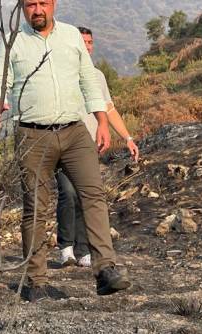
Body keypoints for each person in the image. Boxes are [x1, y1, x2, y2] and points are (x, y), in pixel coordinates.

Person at [0, 0, 139, 301]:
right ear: (21, 8)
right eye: (30, 5)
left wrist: (101, 122)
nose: (37, 10)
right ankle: (36, 282)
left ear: (53, 4)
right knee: (35, 209)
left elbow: (88, 81)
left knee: (93, 195)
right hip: (32, 134)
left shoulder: (71, 36)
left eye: (43, 3)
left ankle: (105, 270)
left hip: (74, 131)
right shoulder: (12, 42)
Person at [56, 26, 133, 268]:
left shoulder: (97, 76)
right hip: (62, 142)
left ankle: (82, 250)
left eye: (90, 42)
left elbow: (108, 109)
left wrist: (127, 138)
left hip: (89, 146)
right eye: (83, 42)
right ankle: (66, 247)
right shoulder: (60, 72)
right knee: (68, 193)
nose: (87, 47)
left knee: (84, 196)